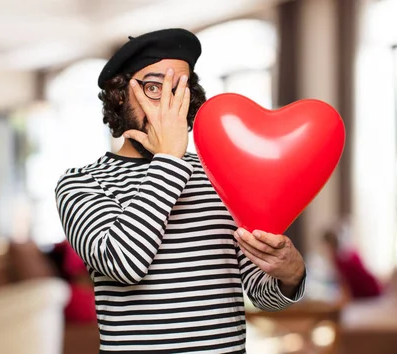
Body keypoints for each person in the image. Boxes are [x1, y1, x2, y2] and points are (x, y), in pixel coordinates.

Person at [54, 28, 307, 353]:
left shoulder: (220, 174)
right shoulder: (81, 183)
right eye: (153, 87)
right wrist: (169, 158)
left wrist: (291, 273)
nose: (168, 106)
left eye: (179, 89)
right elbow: (124, 264)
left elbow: (261, 294)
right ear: (119, 96)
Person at [321, 226, 383, 302]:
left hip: (369, 290)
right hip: (371, 287)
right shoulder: (344, 254)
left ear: (329, 245)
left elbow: (345, 284)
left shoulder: (339, 259)